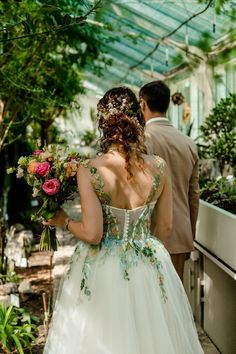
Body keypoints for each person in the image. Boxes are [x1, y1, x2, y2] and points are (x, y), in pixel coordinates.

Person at [43, 87, 203, 354]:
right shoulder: (159, 167)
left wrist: (64, 221)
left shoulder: (91, 169)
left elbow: (93, 234)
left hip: (101, 267)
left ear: (104, 125)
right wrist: (146, 255)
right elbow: (164, 226)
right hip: (149, 263)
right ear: (137, 120)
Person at [139, 81, 199, 281]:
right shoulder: (189, 143)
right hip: (180, 235)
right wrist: (190, 235)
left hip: (148, 235)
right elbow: (193, 196)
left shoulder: (142, 140)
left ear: (142, 104)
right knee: (175, 303)